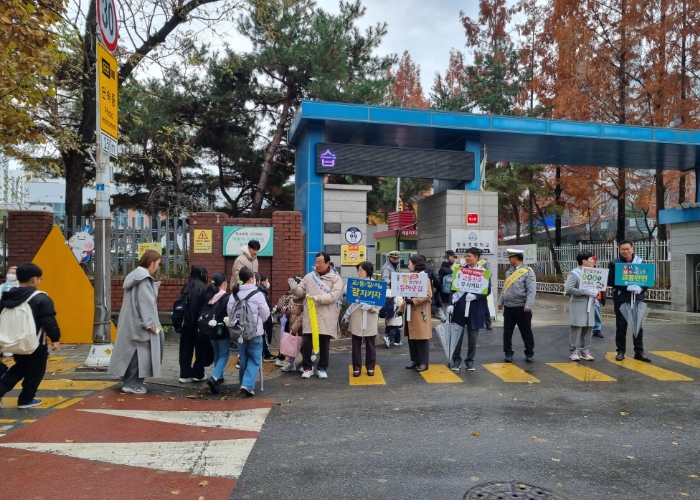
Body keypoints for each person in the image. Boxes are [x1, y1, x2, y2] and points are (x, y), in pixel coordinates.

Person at [0, 263, 60, 408]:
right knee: (36, 371)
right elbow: (48, 320)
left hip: (16, 341)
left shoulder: (8, 296)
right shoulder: (41, 298)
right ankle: (26, 399)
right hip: (35, 343)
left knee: (20, 368)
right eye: (39, 279)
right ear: (34, 279)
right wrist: (55, 338)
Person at [108, 250, 163, 395]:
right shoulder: (144, 279)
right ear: (151, 262)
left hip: (130, 322)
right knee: (140, 355)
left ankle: (127, 381)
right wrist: (152, 325)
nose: (158, 267)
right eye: (157, 264)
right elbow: (146, 303)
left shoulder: (134, 276)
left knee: (130, 353)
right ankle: (132, 385)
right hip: (141, 325)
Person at [290, 252, 343, 379]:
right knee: (306, 342)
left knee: (324, 343)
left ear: (327, 263)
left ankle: (322, 368)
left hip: (326, 315)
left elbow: (334, 296)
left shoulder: (335, 278)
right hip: (310, 315)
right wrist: (294, 288)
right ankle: (307, 368)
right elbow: (301, 292)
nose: (317, 265)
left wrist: (317, 298)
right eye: (316, 262)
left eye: (320, 262)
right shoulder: (309, 277)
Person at [227, 268, 270, 396]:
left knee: (243, 358)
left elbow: (230, 312)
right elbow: (265, 313)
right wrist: (259, 322)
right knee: (255, 359)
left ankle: (243, 383)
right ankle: (247, 385)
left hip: (239, 332)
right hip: (255, 332)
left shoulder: (234, 294)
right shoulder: (258, 294)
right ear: (251, 279)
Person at [607, 240, 651, 362]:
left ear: (632, 248)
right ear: (619, 250)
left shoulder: (640, 262)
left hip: (637, 297)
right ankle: (620, 351)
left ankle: (639, 352)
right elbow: (610, 280)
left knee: (637, 326)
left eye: (627, 249)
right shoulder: (614, 263)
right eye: (623, 249)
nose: (625, 251)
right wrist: (626, 287)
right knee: (621, 326)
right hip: (621, 298)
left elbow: (647, 279)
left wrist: (641, 288)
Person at [446, 247, 488, 371]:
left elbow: (488, 290)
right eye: (466, 256)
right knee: (457, 336)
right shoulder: (460, 271)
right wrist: (451, 304)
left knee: (473, 338)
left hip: (475, 310)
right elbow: (453, 289)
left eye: (469, 256)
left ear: (476, 257)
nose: (466, 258)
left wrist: (476, 296)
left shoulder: (483, 272)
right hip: (460, 308)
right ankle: (456, 360)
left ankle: (470, 361)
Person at [498, 248, 537, 363]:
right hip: (509, 307)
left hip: (522, 307)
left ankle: (529, 353)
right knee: (507, 332)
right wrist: (501, 302)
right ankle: (508, 353)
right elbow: (505, 288)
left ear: (515, 258)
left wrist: (528, 305)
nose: (509, 260)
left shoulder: (528, 271)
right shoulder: (509, 272)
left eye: (510, 258)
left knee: (526, 332)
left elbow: (531, 291)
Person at [178, 265, 213, 383]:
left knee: (185, 348)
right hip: (200, 324)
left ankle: (184, 374)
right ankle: (198, 374)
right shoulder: (204, 288)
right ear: (203, 275)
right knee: (201, 349)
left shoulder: (186, 288)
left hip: (187, 324)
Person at [346, 261, 380, 377]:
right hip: (357, 317)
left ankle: (370, 367)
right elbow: (348, 298)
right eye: (358, 270)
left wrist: (372, 307)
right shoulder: (355, 284)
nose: (359, 273)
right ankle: (356, 367)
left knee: (370, 343)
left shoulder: (376, 285)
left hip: (370, 317)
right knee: (356, 343)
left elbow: (380, 303)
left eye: (361, 270)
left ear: (368, 271)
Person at [399, 255, 433, 372]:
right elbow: (406, 295)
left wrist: (414, 301)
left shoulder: (424, 278)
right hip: (410, 311)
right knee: (412, 337)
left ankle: (424, 362)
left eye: (410, 263)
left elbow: (428, 294)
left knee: (421, 337)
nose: (408, 265)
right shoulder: (409, 277)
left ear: (415, 264)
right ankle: (416, 360)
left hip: (419, 311)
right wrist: (401, 308)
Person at [565, 251, 598, 361]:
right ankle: (573, 351)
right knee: (577, 327)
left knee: (589, 327)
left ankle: (585, 351)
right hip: (579, 304)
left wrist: (596, 292)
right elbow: (569, 289)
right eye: (591, 259)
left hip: (591, 303)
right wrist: (585, 292)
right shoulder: (574, 273)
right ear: (584, 261)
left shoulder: (593, 273)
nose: (594, 261)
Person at [203, 273, 231, 394]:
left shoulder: (209, 296)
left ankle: (219, 376)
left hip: (210, 328)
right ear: (224, 284)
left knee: (217, 353)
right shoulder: (226, 297)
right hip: (222, 329)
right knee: (224, 354)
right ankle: (214, 377)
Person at [275, 275, 304, 372]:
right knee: (292, 345)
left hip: (302, 327)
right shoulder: (291, 299)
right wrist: (286, 310)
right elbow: (289, 313)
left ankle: (307, 364)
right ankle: (291, 363)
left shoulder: (304, 299)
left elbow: (304, 314)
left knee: (304, 347)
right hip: (292, 325)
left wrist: (296, 326)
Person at [258, 273, 279, 363]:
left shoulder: (260, 291)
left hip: (260, 319)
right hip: (263, 319)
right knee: (265, 336)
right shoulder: (262, 292)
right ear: (263, 282)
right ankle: (266, 354)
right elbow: (264, 307)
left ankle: (264, 353)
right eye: (267, 281)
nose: (268, 283)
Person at [0, 265, 19, 359]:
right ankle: (5, 350)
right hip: (4, 313)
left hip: (17, 315)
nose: (10, 275)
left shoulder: (21, 287)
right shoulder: (2, 287)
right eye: (9, 273)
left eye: (13, 273)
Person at [475, 252, 493, 330]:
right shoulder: (469, 264)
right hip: (473, 288)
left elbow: (490, 274)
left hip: (482, 288)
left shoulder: (484, 262)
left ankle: (488, 324)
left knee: (485, 307)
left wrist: (482, 274)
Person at [438, 251, 456, 318]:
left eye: (448, 257)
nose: (447, 259)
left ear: (453, 256)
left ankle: (447, 318)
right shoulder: (447, 265)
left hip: (450, 289)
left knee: (446, 305)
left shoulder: (457, 264)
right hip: (449, 289)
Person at [591, 256, 605, 338]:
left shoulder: (599, 272)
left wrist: (603, 297)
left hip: (596, 297)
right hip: (584, 297)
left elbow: (603, 285)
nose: (594, 262)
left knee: (596, 314)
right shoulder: (582, 272)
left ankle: (597, 329)